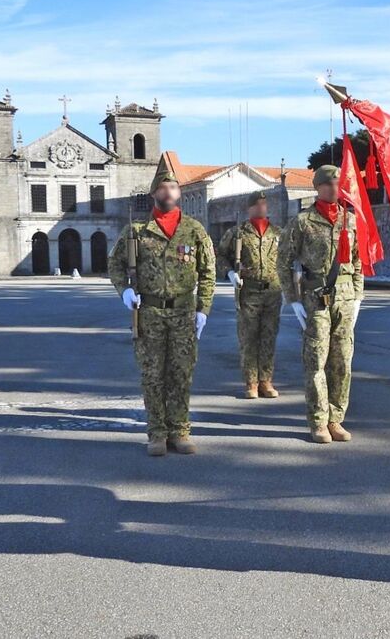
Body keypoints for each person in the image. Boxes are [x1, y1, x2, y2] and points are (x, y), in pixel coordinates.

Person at [108, 161, 216, 456]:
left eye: (173, 186)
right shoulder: (137, 231)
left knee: (181, 373)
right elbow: (115, 264)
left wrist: (203, 308)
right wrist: (125, 290)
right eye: (163, 187)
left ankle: (180, 430)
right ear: (154, 192)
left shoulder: (194, 230)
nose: (168, 191)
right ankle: (157, 432)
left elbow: (208, 272)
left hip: (183, 313)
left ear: (179, 192)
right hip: (150, 314)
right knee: (153, 374)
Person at [277, 165, 363, 444]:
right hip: (316, 298)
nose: (334, 188)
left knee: (343, 362)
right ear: (317, 187)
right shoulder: (303, 222)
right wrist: (293, 299)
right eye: (328, 184)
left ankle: (336, 418)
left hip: (346, 297)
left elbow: (359, 262)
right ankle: (318, 421)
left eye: (338, 183)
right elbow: (284, 261)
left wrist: (359, 295)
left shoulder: (350, 220)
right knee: (316, 362)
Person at [217, 191, 283, 399]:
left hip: (273, 291)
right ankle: (251, 382)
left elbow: (289, 257)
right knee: (248, 338)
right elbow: (220, 255)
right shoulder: (238, 233)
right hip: (249, 291)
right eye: (257, 204)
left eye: (264, 203)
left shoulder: (278, 233)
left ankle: (266, 380)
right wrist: (230, 272)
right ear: (250, 208)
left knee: (268, 337)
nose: (262, 207)